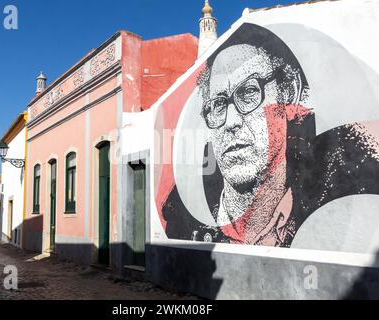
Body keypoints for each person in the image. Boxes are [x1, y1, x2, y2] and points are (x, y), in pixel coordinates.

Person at [162, 23, 379, 247]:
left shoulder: (338, 194)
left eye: (248, 92)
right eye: (217, 105)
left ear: (289, 93)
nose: (231, 122)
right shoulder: (181, 216)